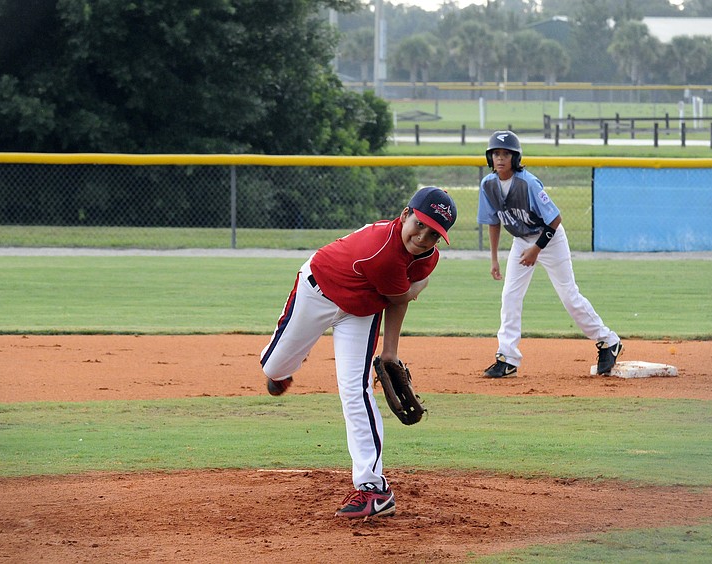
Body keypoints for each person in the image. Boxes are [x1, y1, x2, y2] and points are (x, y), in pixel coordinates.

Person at [260, 186, 457, 519]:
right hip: (318, 292)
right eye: (420, 224)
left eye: (434, 233)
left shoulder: (427, 257)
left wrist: (391, 352)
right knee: (274, 368)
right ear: (405, 215)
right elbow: (401, 297)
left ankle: (372, 489)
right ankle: (285, 366)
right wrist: (416, 289)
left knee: (355, 390)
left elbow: (399, 300)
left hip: (362, 310)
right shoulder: (381, 250)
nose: (423, 237)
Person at [477, 130, 622, 378]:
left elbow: (554, 219)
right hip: (521, 241)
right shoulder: (488, 185)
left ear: (515, 157)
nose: (500, 158)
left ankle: (608, 341)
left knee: (569, 296)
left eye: (506, 154)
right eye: (496, 154)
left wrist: (536, 249)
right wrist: (494, 258)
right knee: (510, 297)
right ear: (490, 158)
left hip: (549, 239)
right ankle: (507, 358)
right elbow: (493, 221)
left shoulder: (528, 183)